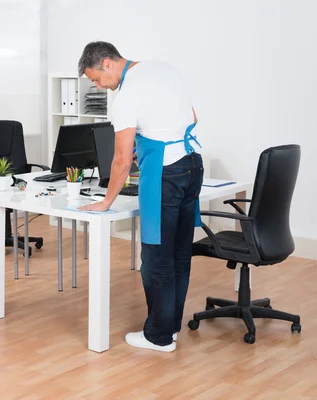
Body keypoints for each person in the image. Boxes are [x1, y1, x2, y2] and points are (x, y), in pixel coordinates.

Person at [77, 41, 204, 352]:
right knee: (178, 254)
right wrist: (147, 141)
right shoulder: (161, 68)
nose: (99, 86)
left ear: (106, 63)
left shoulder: (127, 94)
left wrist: (106, 201)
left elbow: (120, 161)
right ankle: (170, 327)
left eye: (95, 78)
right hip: (192, 165)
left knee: (156, 258)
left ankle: (158, 337)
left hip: (165, 174)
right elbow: (193, 118)